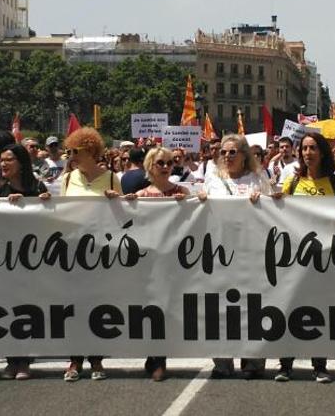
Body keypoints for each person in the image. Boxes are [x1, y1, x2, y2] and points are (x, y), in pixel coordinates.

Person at [199, 135, 271, 380]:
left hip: (251, 253)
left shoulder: (258, 179)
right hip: (218, 252)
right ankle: (222, 362)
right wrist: (197, 199)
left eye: (233, 152)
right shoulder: (212, 180)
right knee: (218, 308)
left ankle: (252, 362)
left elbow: (275, 209)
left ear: (244, 155)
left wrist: (264, 201)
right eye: (224, 153)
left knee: (252, 307)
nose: (227, 157)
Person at [277, 132, 335, 383]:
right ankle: (285, 364)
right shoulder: (292, 183)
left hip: (325, 258)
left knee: (319, 311)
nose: (308, 153)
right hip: (295, 257)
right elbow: (279, 213)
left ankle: (320, 365)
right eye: (304, 149)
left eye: (313, 148)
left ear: (322, 152)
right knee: (290, 309)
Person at [0, 145, 50, 380]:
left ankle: (25, 361)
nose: (3, 164)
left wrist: (39, 201)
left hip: (32, 260)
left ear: (21, 162)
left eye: (8, 160)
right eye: (1, 160)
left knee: (27, 310)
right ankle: (12, 360)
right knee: (7, 309)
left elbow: (49, 218)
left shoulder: (38, 187)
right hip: (4, 262)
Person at [60, 128, 122, 382]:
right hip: (74, 252)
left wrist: (115, 200)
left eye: (77, 152)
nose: (72, 156)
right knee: (74, 305)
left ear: (93, 152)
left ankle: (96, 358)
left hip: (101, 252)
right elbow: (61, 213)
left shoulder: (110, 178)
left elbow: (122, 214)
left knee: (98, 305)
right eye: (70, 151)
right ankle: (74, 359)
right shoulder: (66, 179)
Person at [130, 147, 189, 382]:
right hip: (147, 263)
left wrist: (196, 200)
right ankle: (153, 354)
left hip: (174, 262)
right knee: (149, 309)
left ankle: (160, 359)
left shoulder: (182, 191)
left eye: (169, 163)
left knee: (165, 309)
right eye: (160, 164)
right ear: (149, 167)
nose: (166, 167)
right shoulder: (142, 195)